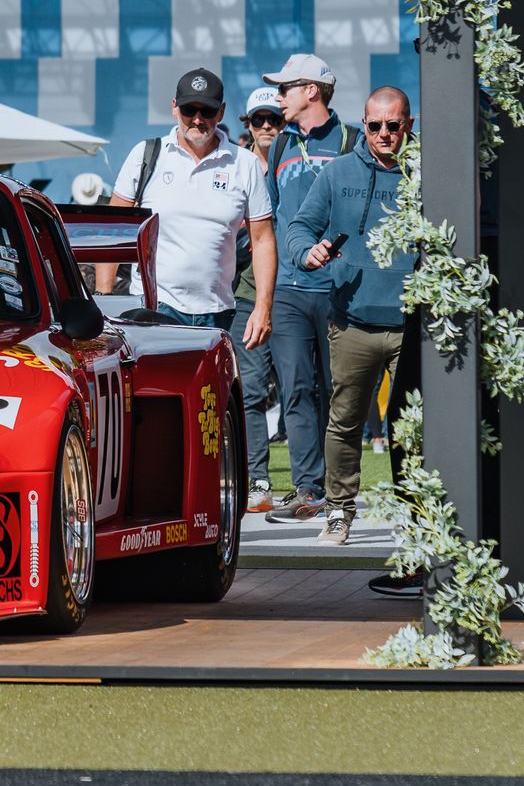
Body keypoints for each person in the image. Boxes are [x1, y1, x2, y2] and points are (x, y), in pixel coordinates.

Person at [289, 85, 420, 548]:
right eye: (374, 125)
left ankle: (416, 517)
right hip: (351, 320)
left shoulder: (427, 175)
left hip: (413, 325)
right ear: (362, 124)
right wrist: (308, 253)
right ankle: (340, 512)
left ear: (409, 124)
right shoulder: (338, 172)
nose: (383, 134)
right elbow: (300, 227)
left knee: (415, 428)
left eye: (393, 125)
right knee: (343, 422)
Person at [108, 66, 275, 348]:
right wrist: (105, 295)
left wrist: (263, 309)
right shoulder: (146, 154)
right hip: (153, 308)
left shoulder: (244, 163)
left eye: (207, 111)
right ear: (174, 108)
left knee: (213, 394)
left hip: (217, 313)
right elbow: (113, 231)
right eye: (189, 110)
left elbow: (263, 241)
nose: (197, 119)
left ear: (221, 113)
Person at [259, 52, 358, 522]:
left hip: (340, 290)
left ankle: (340, 492)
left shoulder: (352, 141)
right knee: (296, 390)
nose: (279, 97)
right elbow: (269, 222)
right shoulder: (278, 147)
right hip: (289, 292)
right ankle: (308, 489)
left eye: (286, 88)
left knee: (340, 394)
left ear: (311, 91)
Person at [228, 87, 287, 508]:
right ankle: (259, 479)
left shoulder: (298, 162)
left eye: (275, 120)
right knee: (250, 390)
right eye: (258, 120)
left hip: (300, 293)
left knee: (307, 392)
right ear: (247, 126)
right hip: (248, 294)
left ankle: (313, 486)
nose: (267, 127)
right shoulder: (237, 166)